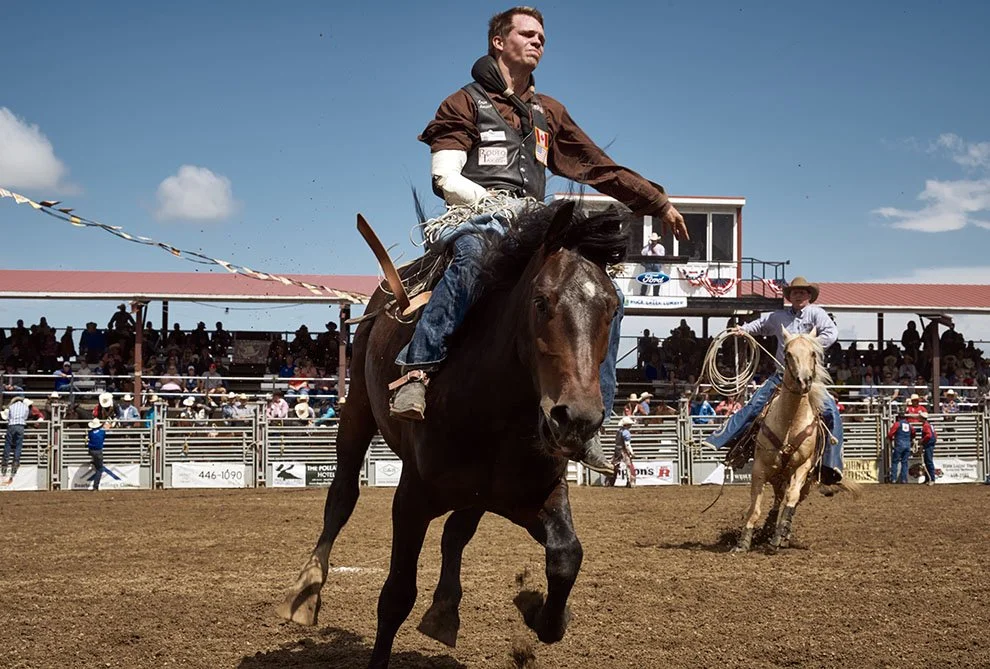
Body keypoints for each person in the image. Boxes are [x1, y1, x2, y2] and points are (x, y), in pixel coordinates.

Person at [389, 6, 688, 475]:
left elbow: (596, 165)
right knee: (470, 257)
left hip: (532, 226)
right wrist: (498, 206)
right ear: (498, 40)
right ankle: (417, 372)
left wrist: (656, 201)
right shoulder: (462, 103)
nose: (538, 42)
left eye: (542, 37)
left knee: (608, 296)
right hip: (474, 217)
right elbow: (445, 178)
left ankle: (593, 422)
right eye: (527, 34)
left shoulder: (548, 112)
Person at [702, 277, 845, 484]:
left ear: (809, 296)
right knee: (754, 405)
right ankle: (726, 441)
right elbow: (760, 325)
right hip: (782, 374)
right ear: (790, 296)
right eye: (795, 292)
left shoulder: (817, 314)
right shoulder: (778, 317)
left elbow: (831, 333)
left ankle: (831, 465)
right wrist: (743, 329)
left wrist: (806, 344)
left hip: (809, 377)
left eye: (803, 292)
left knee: (831, 412)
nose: (799, 295)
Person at [2, 396, 31, 483]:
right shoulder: (25, 407)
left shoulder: (11, 406)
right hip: (20, 426)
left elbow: (8, 417)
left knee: (8, 443)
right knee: (18, 445)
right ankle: (16, 461)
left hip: (11, 425)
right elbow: (25, 417)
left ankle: (5, 461)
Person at [605, 416, 636, 487]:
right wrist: (631, 452)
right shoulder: (626, 432)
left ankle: (609, 482)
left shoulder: (619, 431)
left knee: (614, 465)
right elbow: (627, 444)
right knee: (629, 465)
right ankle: (631, 482)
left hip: (617, 450)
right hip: (623, 450)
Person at [887, 413, 914, 484]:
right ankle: (904, 479)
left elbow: (890, 433)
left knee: (895, 461)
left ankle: (893, 479)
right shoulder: (909, 425)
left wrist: (890, 438)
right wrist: (910, 438)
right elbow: (913, 432)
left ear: (898, 418)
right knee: (904, 462)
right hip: (907, 445)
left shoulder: (897, 424)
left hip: (899, 445)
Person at [86, 417, 109, 491]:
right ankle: (95, 486)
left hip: (91, 451)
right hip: (98, 451)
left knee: (96, 463)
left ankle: (93, 462)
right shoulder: (102, 432)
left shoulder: (90, 433)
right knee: (100, 469)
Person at [919, 412, 937, 486]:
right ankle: (928, 478)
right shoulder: (930, 425)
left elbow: (928, 435)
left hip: (928, 445)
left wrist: (922, 441)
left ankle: (932, 479)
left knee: (928, 461)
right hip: (929, 444)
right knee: (927, 461)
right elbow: (935, 435)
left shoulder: (926, 426)